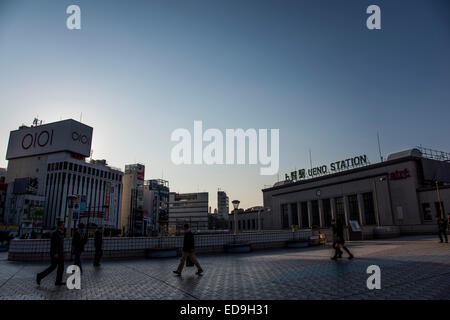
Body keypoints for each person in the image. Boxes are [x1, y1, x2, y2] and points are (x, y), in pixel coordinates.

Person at [36, 221, 66, 286]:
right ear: (59, 226)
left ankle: (58, 281)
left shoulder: (61, 233)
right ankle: (40, 276)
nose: (63, 226)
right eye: (62, 225)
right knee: (53, 267)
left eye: (63, 225)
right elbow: (54, 244)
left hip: (60, 253)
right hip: (56, 254)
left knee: (60, 267)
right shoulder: (55, 233)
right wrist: (55, 253)